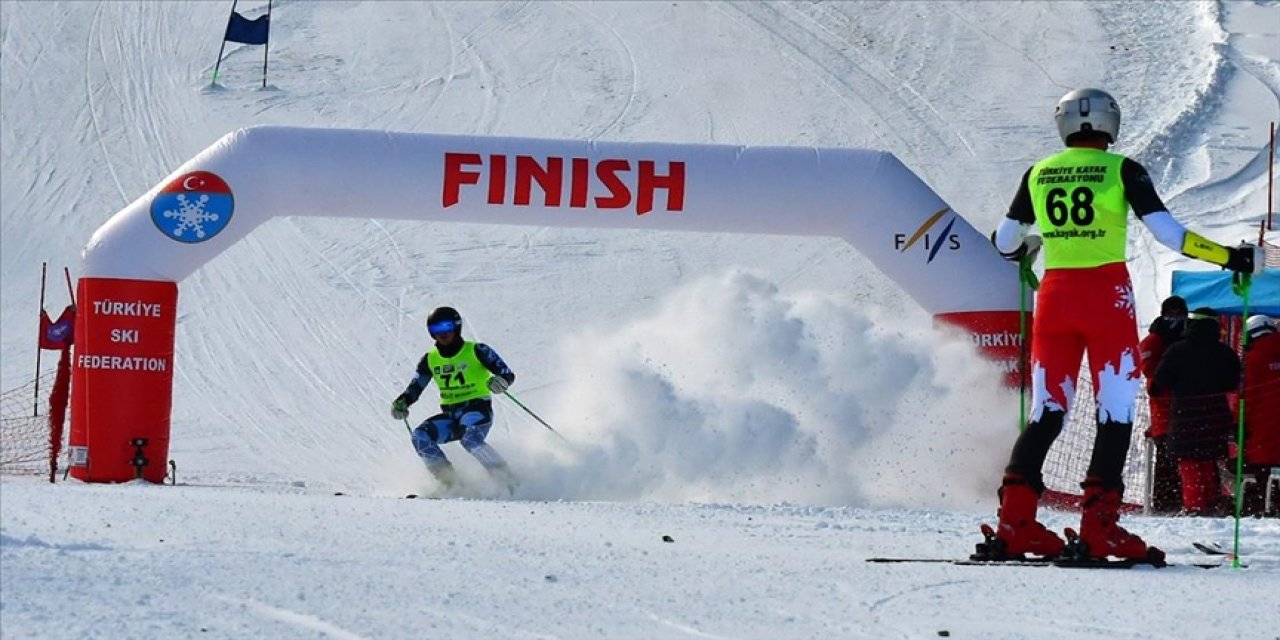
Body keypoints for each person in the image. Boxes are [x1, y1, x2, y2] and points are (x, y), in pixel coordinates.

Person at [984, 88, 1259, 561]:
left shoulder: (1039, 173)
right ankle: (1099, 527)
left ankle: (1015, 523)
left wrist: (1031, 245)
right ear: (1110, 125)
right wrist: (1231, 258)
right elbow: (1171, 236)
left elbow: (1006, 242)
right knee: (1114, 412)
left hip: (1055, 297)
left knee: (1046, 412)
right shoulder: (1122, 170)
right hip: (1106, 298)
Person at [390, 306, 518, 492]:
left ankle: (508, 480)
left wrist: (501, 381)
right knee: (420, 436)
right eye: (435, 330)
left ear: (457, 326)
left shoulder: (477, 350)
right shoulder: (430, 359)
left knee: (471, 440)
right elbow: (416, 387)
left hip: (476, 410)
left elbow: (506, 373)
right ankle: (450, 484)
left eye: (446, 327)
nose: (442, 334)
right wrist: (402, 402)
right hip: (451, 415)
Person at [1151, 308, 1240, 516]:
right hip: (1215, 415)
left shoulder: (1176, 351)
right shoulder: (1226, 353)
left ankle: (1194, 507)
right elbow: (1233, 382)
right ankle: (1210, 502)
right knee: (1209, 460)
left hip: (1185, 415)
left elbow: (1158, 384)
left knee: (1189, 463)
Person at [1138, 296, 1188, 514]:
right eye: (1172, 314)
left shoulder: (1186, 338)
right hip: (1164, 413)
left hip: (1186, 411)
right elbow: (1149, 371)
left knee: (1182, 460)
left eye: (1180, 314)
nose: (1176, 319)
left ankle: (1181, 501)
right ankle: (1164, 504)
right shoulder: (1153, 340)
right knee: (1166, 462)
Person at [1241, 314, 1280, 515]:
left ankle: (1262, 505)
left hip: (1262, 427)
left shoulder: (1254, 357)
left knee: (1262, 470)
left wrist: (1242, 423)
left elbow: (1248, 395)